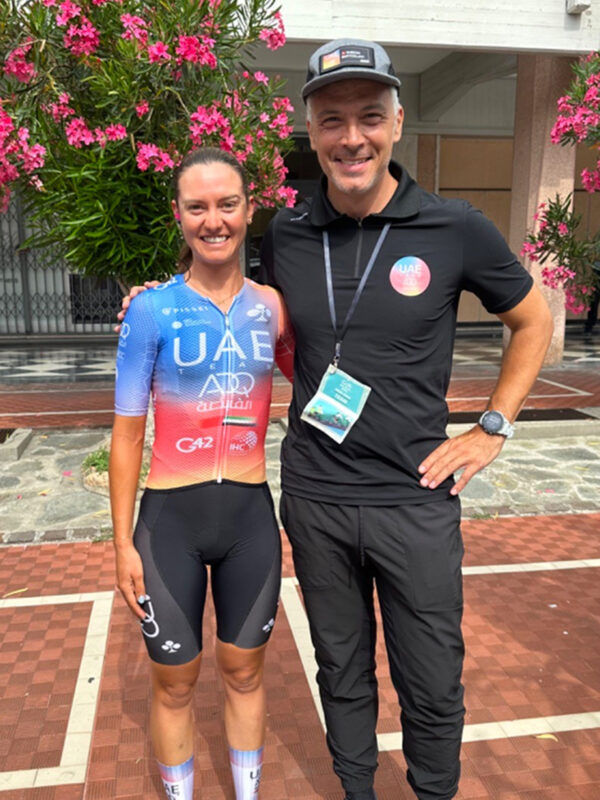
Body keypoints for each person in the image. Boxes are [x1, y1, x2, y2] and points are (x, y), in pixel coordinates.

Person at [119, 39, 554, 800]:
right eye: (332, 120)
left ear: (397, 122)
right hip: (315, 498)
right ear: (313, 133)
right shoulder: (287, 233)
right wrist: (150, 301)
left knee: (431, 678)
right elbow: (232, 292)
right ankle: (357, 791)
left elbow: (534, 320)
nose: (352, 137)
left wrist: (490, 429)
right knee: (341, 673)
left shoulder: (454, 227)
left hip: (415, 498)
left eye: (369, 117)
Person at [109, 146, 294, 800]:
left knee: (244, 673)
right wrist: (122, 543)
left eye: (227, 204)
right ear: (178, 216)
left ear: (250, 209)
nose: (213, 221)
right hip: (169, 523)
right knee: (175, 682)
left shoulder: (273, 307)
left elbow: (318, 376)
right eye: (197, 207)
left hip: (250, 519)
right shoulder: (151, 311)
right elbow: (126, 435)